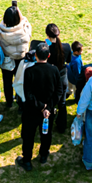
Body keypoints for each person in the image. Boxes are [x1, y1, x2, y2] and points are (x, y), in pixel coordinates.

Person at [17, 43, 63, 171]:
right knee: (46, 134)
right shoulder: (54, 70)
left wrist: (42, 107)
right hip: (48, 112)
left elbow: (28, 94)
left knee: (28, 136)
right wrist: (48, 108)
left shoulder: (29, 71)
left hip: (31, 110)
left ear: (35, 55)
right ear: (49, 55)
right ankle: (43, 155)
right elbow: (59, 91)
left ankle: (27, 160)